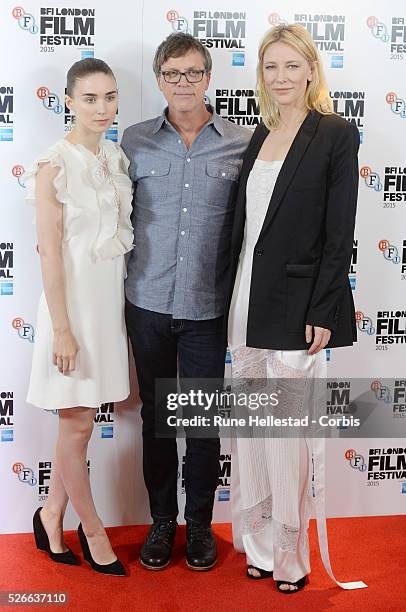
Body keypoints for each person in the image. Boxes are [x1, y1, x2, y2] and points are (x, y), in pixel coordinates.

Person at [227, 25, 367, 593]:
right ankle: (258, 547)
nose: (280, 77)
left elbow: (340, 233)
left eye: (291, 66)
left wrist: (327, 310)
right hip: (246, 299)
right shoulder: (259, 133)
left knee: (286, 436)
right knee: (253, 432)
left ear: (311, 69)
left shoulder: (335, 134)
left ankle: (292, 558)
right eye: (270, 67)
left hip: (300, 305)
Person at [121, 32, 251, 571]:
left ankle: (200, 525)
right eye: (173, 74)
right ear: (158, 79)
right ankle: (161, 523)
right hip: (146, 302)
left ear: (208, 77)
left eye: (193, 73)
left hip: (207, 307)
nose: (183, 83)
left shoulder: (243, 143)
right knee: (157, 419)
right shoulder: (133, 141)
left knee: (199, 422)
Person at [24, 58, 133, 576]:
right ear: (68, 101)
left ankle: (50, 515)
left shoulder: (115, 157)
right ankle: (92, 530)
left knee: (75, 425)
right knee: (78, 425)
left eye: (109, 97)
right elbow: (48, 252)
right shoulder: (53, 164)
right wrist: (63, 330)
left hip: (106, 310)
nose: (102, 108)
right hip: (70, 315)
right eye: (90, 98)